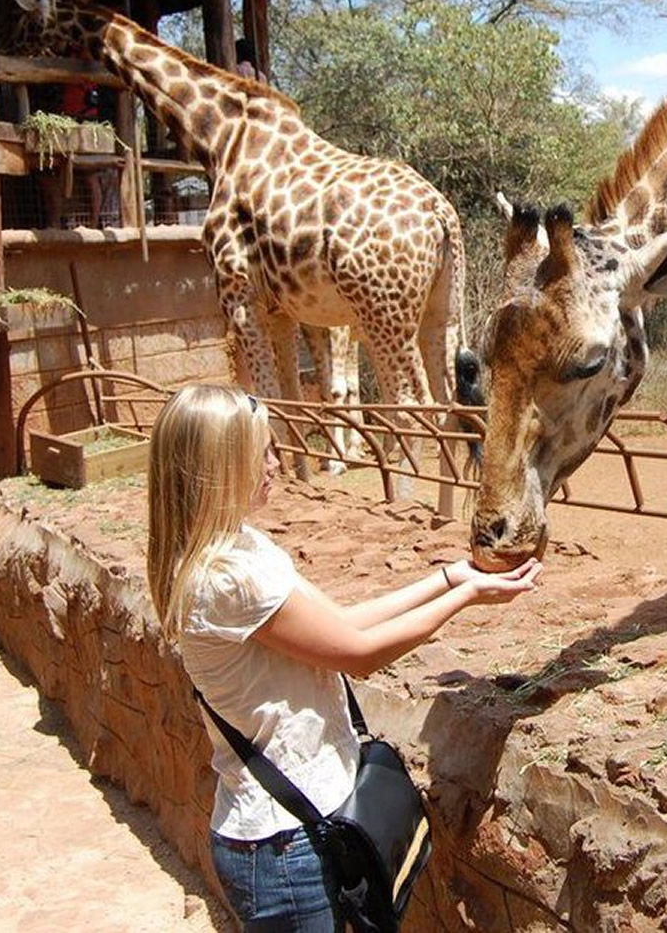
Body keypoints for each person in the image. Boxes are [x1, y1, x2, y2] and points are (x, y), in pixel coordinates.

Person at [145, 383, 541, 931]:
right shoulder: (226, 578)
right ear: (220, 466)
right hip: (283, 848)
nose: (275, 462)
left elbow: (342, 623)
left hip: (303, 831)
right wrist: (466, 597)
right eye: (262, 451)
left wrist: (450, 577)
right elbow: (358, 654)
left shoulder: (241, 548)